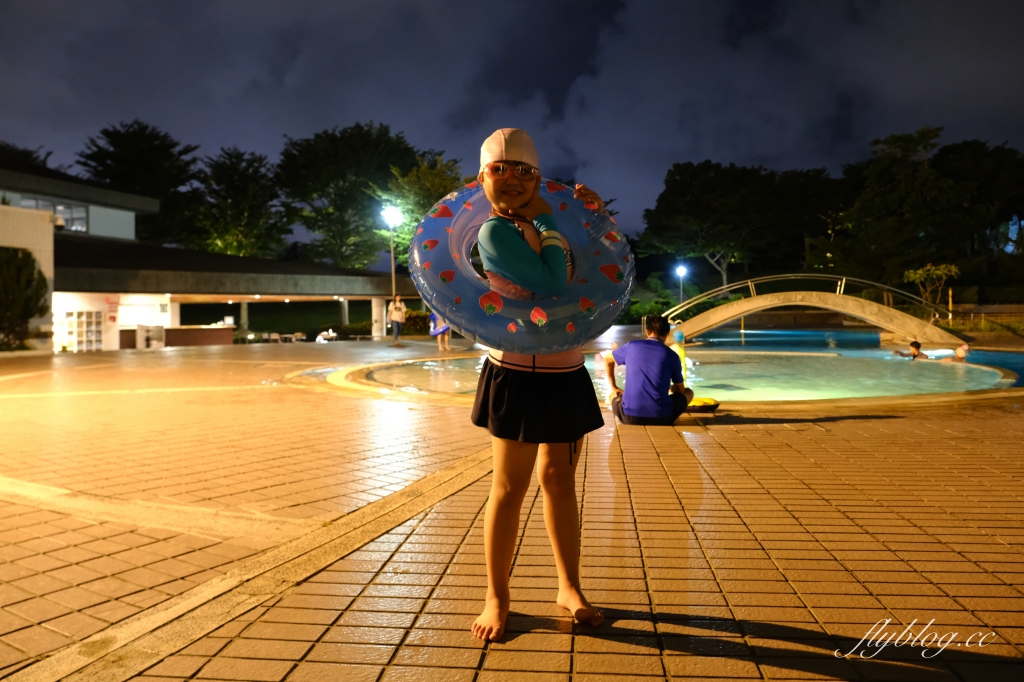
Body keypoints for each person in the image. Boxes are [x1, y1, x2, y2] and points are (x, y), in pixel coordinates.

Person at [470, 128, 606, 642]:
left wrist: (590, 217)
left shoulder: (560, 224)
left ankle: (568, 587)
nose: (512, 181)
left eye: (524, 172)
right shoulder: (493, 234)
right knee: (509, 488)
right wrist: (550, 218)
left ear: (538, 178)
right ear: (482, 177)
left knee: (560, 480)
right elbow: (550, 284)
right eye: (499, 170)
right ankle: (497, 596)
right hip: (517, 371)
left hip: (566, 369)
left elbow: (594, 273)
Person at [605, 315, 694, 425]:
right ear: (667, 333)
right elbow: (681, 391)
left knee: (612, 395)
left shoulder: (631, 346)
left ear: (647, 331)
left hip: (628, 416)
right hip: (663, 417)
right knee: (689, 392)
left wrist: (614, 386)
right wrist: (671, 388)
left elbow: (608, 359)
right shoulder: (671, 355)